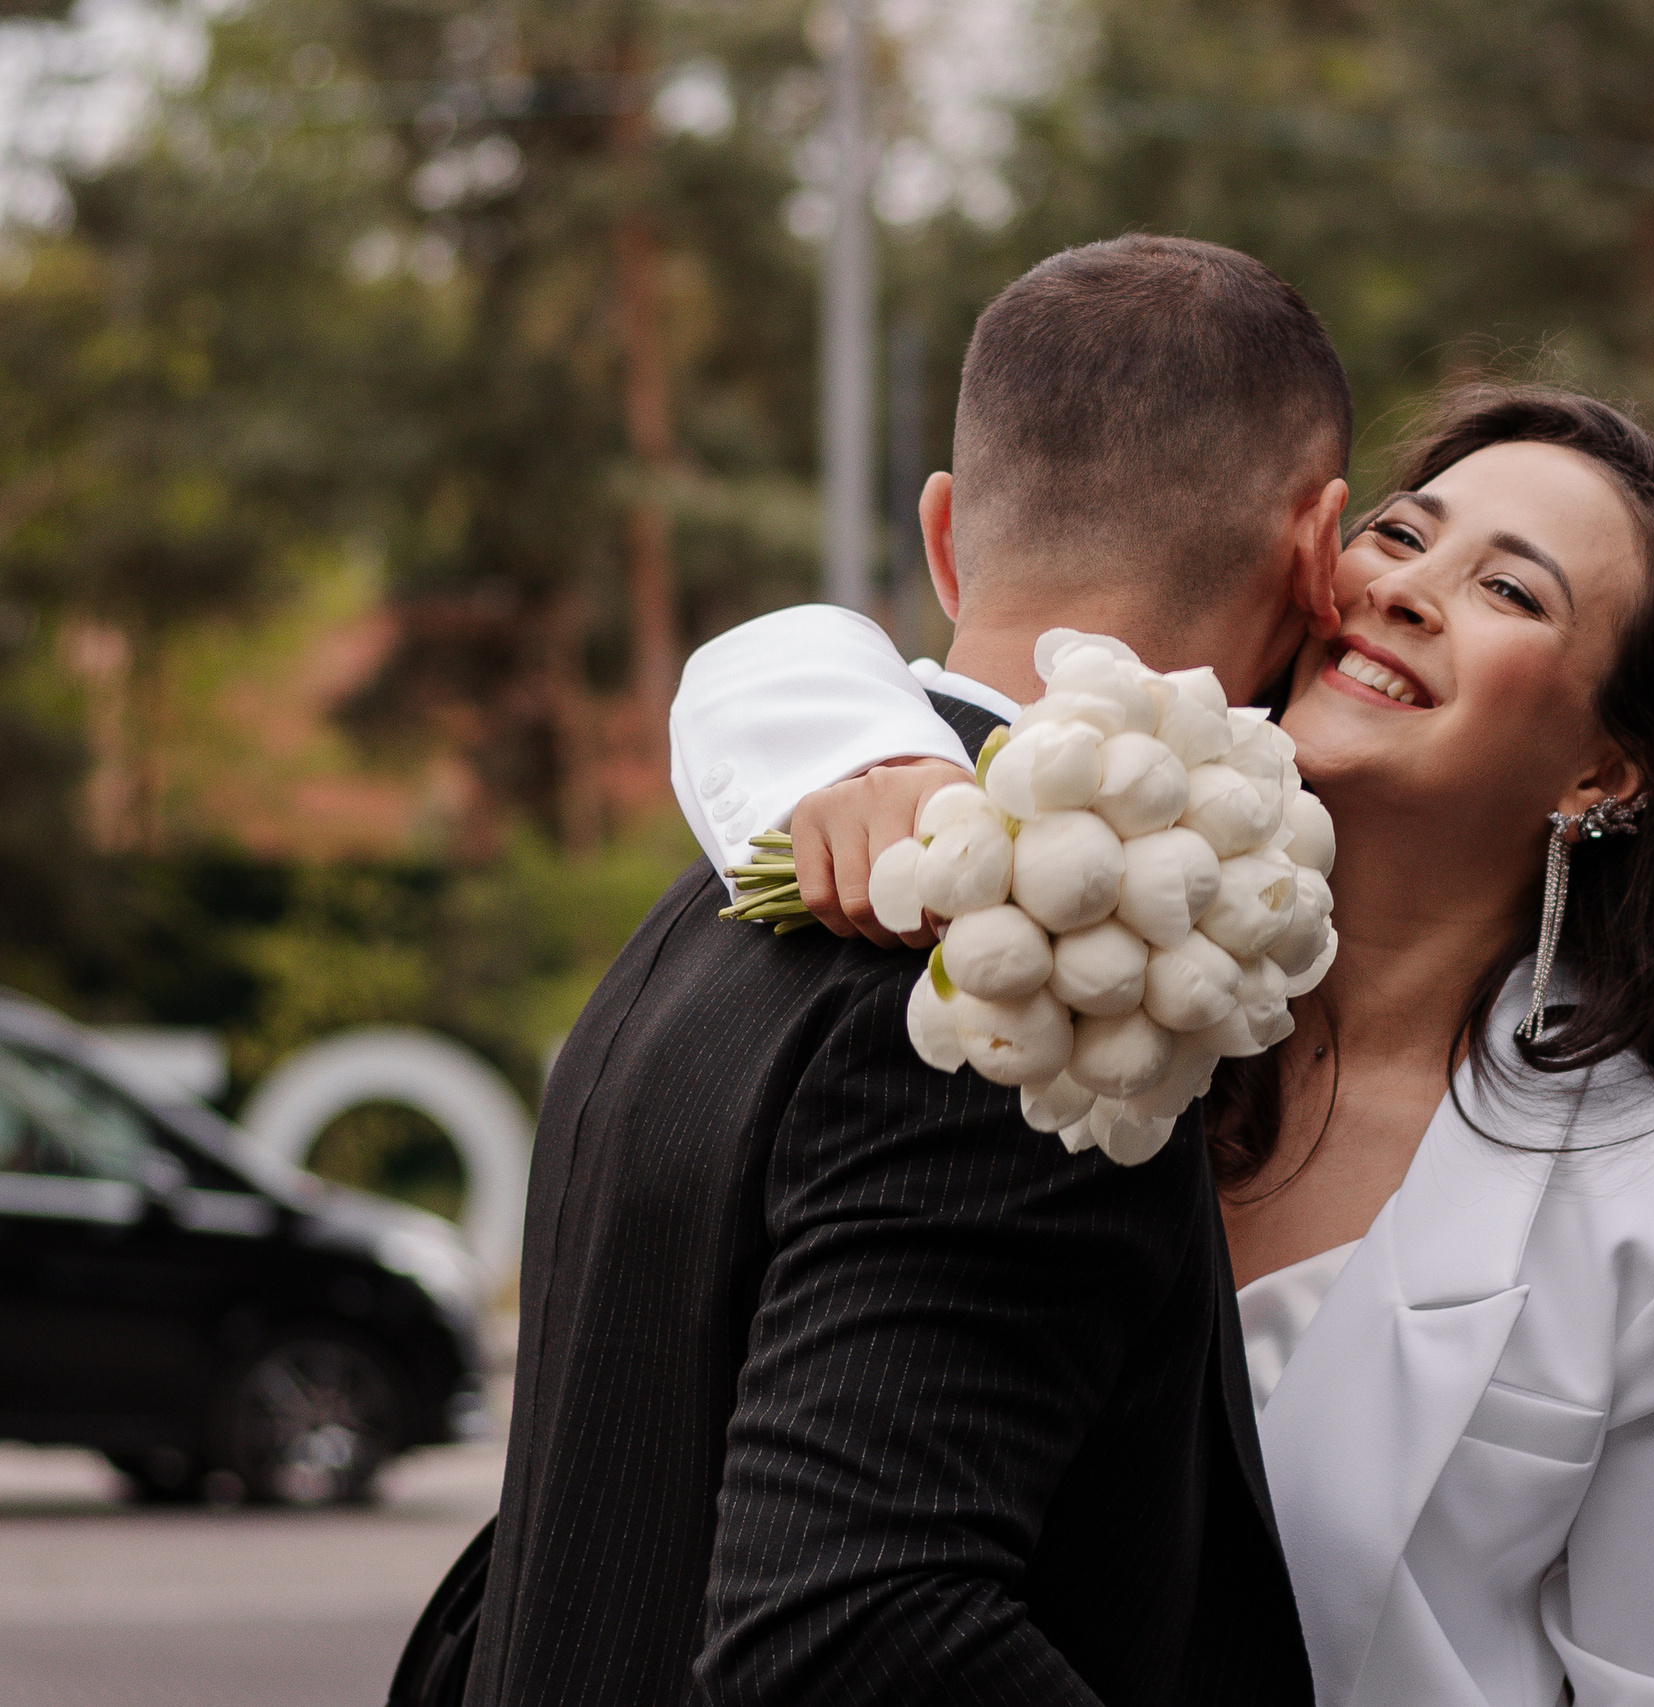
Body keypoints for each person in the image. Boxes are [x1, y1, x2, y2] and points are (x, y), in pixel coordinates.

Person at [673, 381, 1654, 1706]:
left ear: (1607, 772)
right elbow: (791, 663)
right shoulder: (1096, 905)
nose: (1405, 590)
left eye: (1508, 591)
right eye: (1399, 536)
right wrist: (874, 768)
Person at [432, 235, 1353, 1707]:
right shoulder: (1025, 982)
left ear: (942, 532)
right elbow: (848, 1630)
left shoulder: (707, 911)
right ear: (1318, 550)